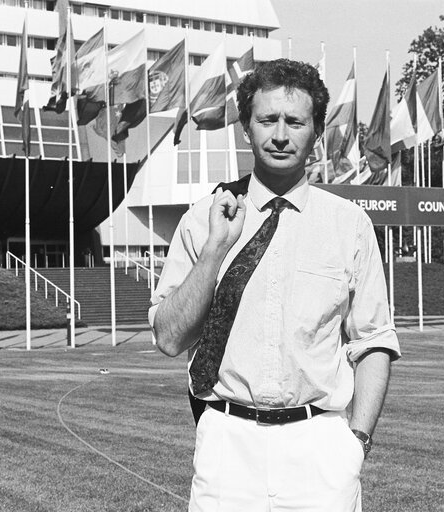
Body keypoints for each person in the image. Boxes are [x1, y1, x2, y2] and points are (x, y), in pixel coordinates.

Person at [148, 58, 400, 511]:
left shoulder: (349, 225)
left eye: (295, 121)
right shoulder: (204, 220)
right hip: (228, 443)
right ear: (247, 128)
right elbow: (169, 338)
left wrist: (354, 443)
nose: (280, 135)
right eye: (267, 120)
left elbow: (374, 341)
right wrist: (215, 251)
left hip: (320, 446)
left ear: (317, 132)